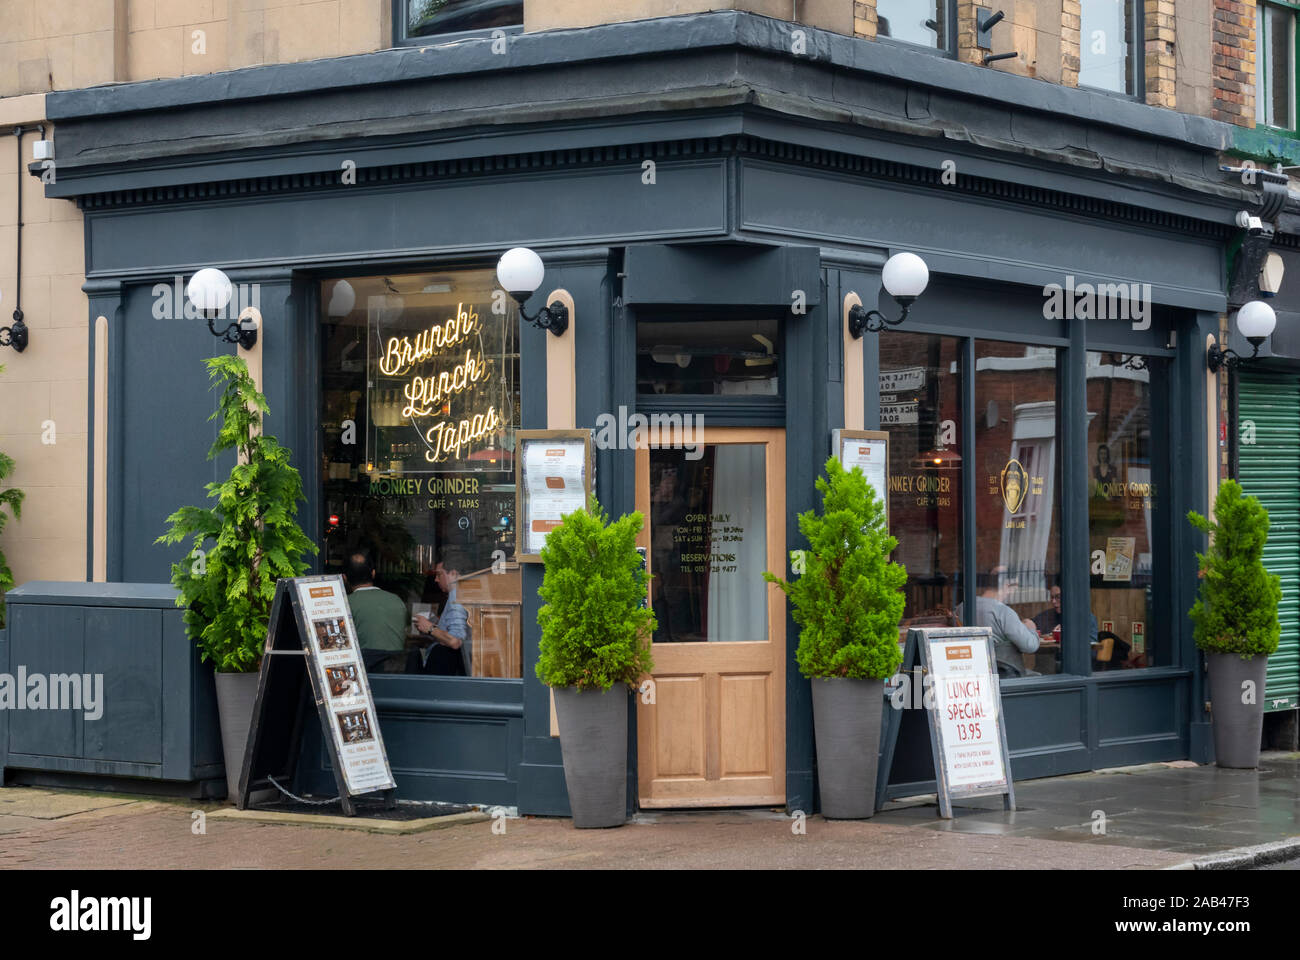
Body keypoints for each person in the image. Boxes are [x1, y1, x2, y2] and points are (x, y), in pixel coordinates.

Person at [957, 567, 1040, 676]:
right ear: (1007, 585)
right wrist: (1031, 629)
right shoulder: (1002, 611)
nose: (1015, 591)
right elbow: (1030, 646)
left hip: (972, 673)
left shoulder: (962, 607)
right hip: (1003, 676)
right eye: (1015, 586)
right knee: (1038, 676)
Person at [345, 550, 409, 673]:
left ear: (344, 578)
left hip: (362, 675)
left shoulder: (345, 604)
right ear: (373, 573)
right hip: (397, 674)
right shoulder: (396, 600)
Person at [416, 551, 472, 676]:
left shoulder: (456, 595)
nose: (436, 579)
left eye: (439, 575)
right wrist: (435, 623)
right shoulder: (466, 593)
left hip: (448, 667)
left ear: (454, 574)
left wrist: (429, 628)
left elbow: (455, 640)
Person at [1032, 583, 1100, 647]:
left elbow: (1092, 647)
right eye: (1052, 597)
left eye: (1058, 597)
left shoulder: (1086, 618)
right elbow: (1030, 625)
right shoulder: (1046, 616)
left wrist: (1070, 632)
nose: (1053, 601)